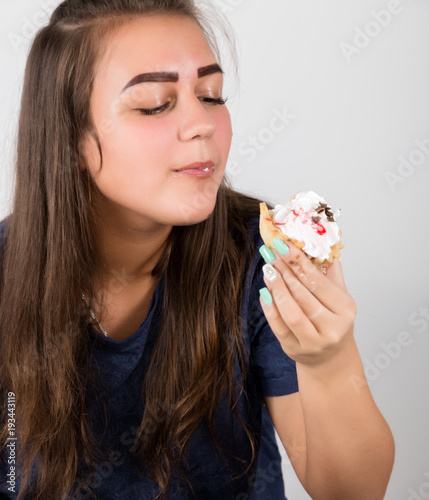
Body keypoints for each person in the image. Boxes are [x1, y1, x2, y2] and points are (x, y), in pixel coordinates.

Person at [0, 0, 395, 499]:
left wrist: (330, 359)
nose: (202, 123)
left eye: (211, 95)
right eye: (155, 105)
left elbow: (352, 491)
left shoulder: (257, 256)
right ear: (73, 139)